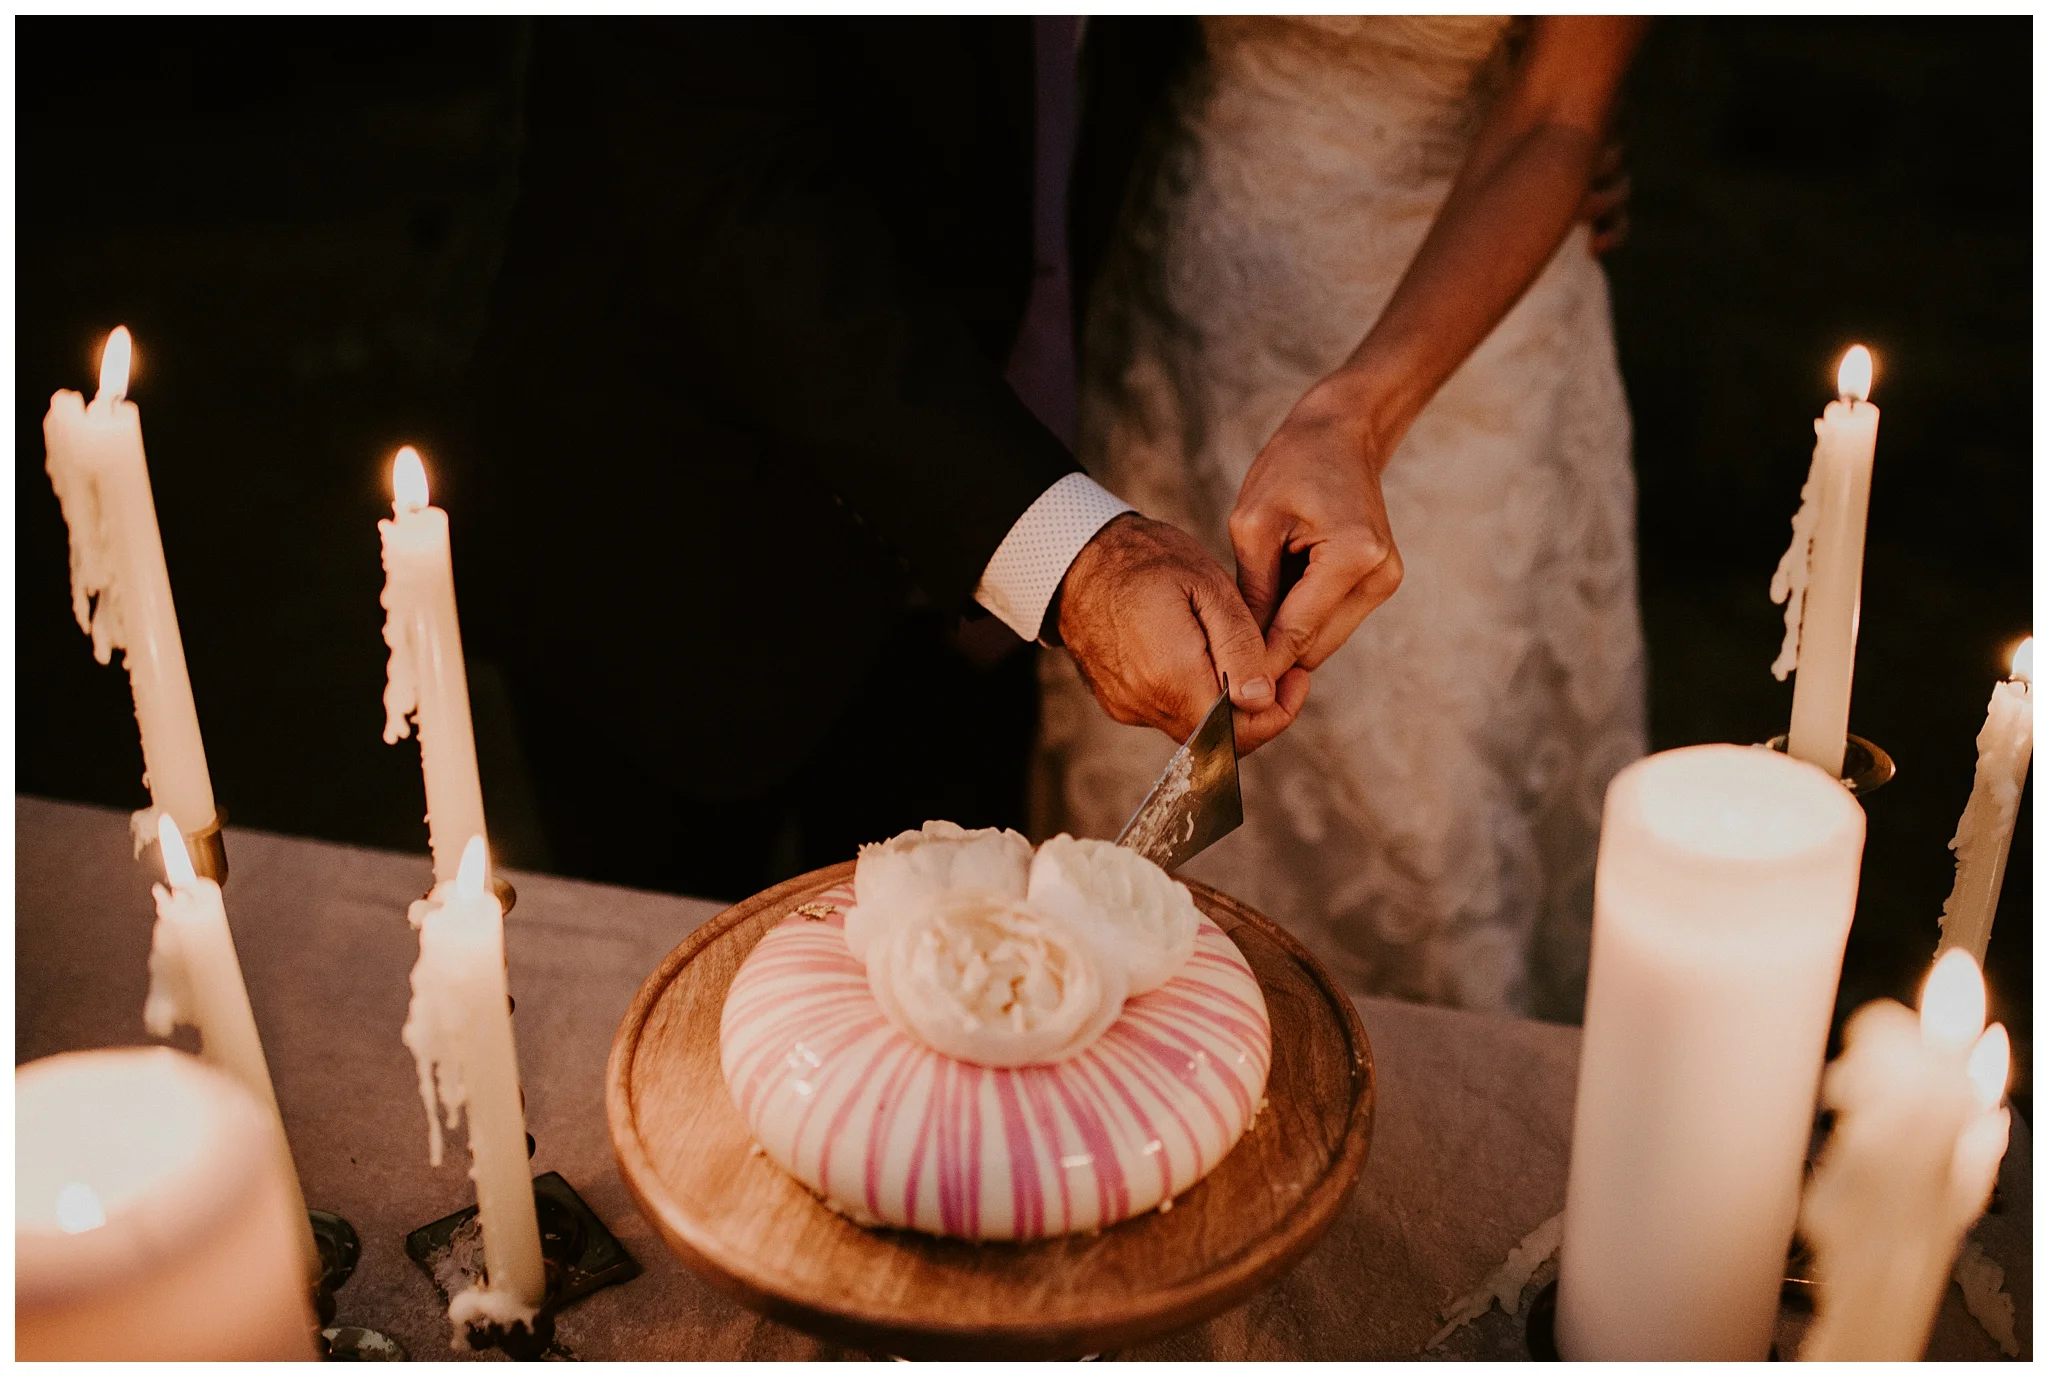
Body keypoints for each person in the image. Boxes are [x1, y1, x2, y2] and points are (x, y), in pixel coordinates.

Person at [451, 19, 1302, 902]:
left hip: (990, 591)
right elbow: (711, 184)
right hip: (675, 538)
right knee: (664, 971)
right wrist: (1074, 554)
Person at [1039, 16, 1649, 1021]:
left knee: (1424, 816)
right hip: (1188, 292)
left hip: (1457, 339)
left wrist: (1353, 420)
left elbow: (1554, 108)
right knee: (1135, 751)